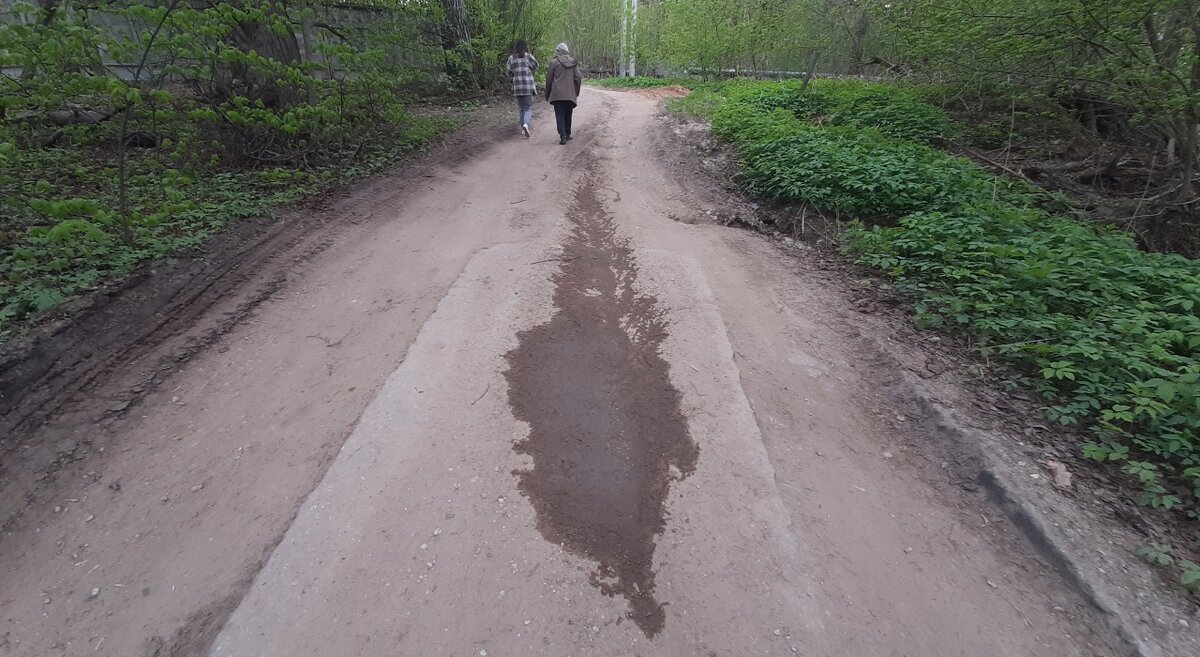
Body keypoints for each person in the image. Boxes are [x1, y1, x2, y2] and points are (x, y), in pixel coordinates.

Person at [545, 43, 582, 145]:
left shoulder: (554, 62)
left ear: (559, 51)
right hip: (570, 94)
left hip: (557, 94)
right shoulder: (573, 63)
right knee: (568, 113)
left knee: (560, 114)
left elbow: (549, 79)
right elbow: (578, 77)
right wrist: (576, 91)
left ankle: (563, 136)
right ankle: (568, 134)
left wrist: (547, 93)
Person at [506, 39, 538, 138]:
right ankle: (526, 124)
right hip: (528, 86)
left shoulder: (511, 58)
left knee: (521, 108)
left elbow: (508, 71)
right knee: (528, 108)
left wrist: (514, 74)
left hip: (518, 87)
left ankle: (523, 129)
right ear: (525, 47)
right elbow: (536, 65)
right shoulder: (528, 56)